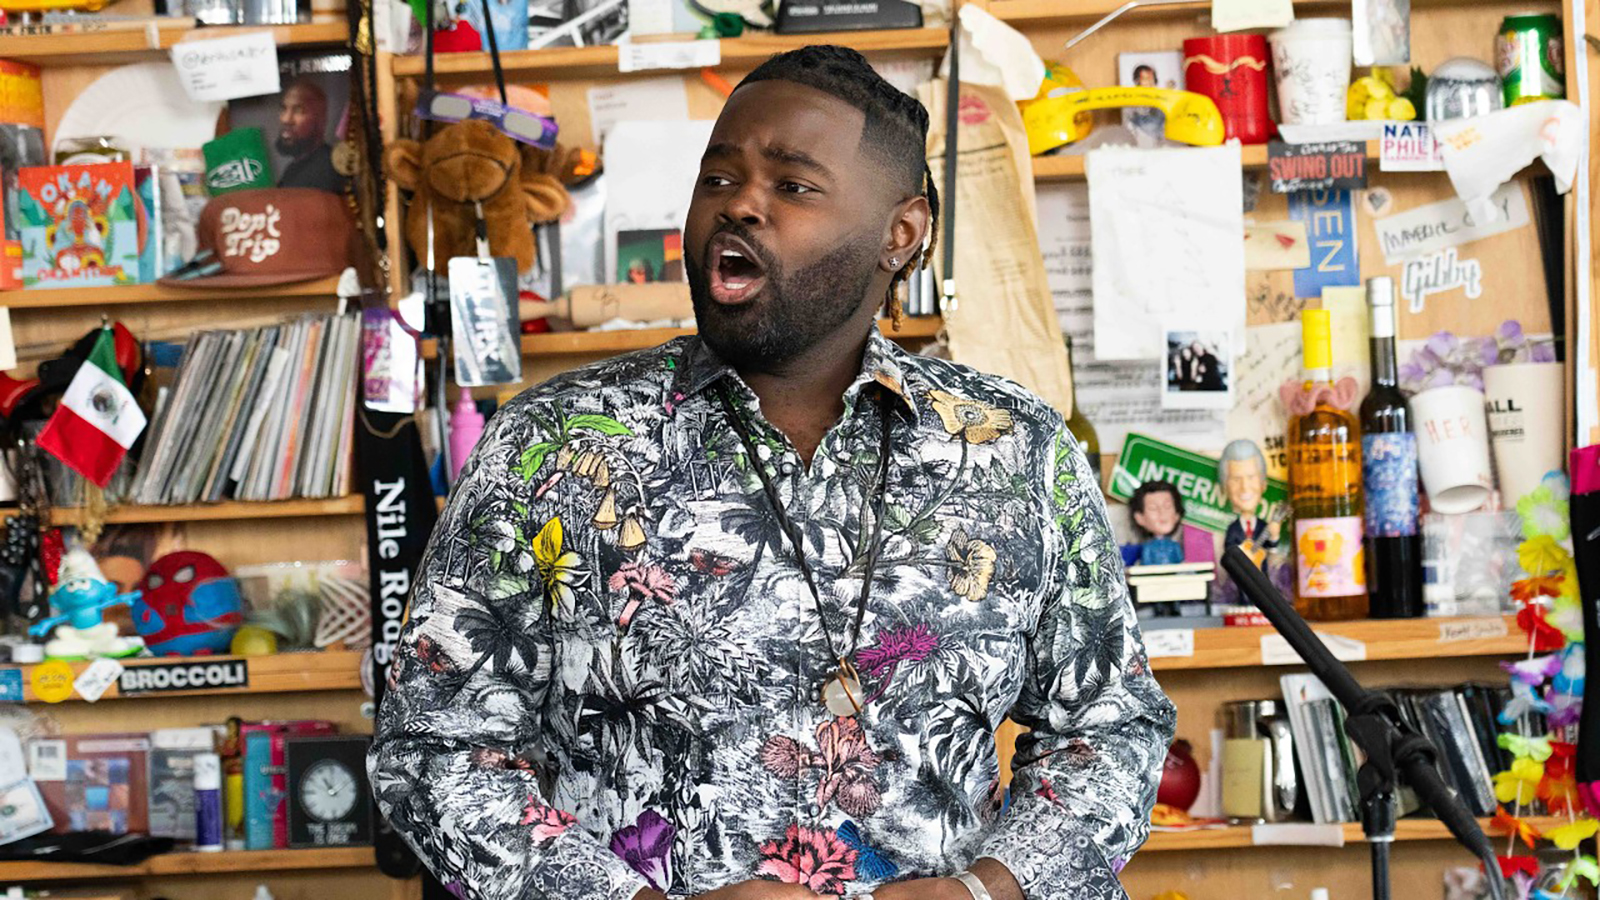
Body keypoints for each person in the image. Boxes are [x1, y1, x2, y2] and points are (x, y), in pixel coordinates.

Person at [370, 45, 1174, 900]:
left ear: (900, 235)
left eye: (792, 185)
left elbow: (1112, 728)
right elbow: (435, 747)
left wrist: (986, 890)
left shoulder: (1015, 448)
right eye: (718, 179)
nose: (740, 205)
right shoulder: (551, 443)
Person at [275, 78, 346, 193]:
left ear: (321, 120)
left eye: (298, 110)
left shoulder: (329, 168)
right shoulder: (293, 168)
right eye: (284, 109)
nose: (286, 119)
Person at [1219, 438, 1280, 568]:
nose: (1245, 487)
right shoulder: (1233, 528)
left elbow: (1271, 550)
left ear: (1263, 484)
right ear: (1225, 486)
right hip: (1240, 579)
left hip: (1262, 580)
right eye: (1236, 479)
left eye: (1251, 477)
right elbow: (1228, 551)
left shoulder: (1263, 526)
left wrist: (1274, 536)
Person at [1127, 480, 1186, 566]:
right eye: (1153, 508)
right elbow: (1146, 564)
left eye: (1167, 506)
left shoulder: (1175, 546)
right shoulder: (1148, 547)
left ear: (1177, 514)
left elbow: (1181, 563)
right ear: (1139, 518)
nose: (1162, 513)